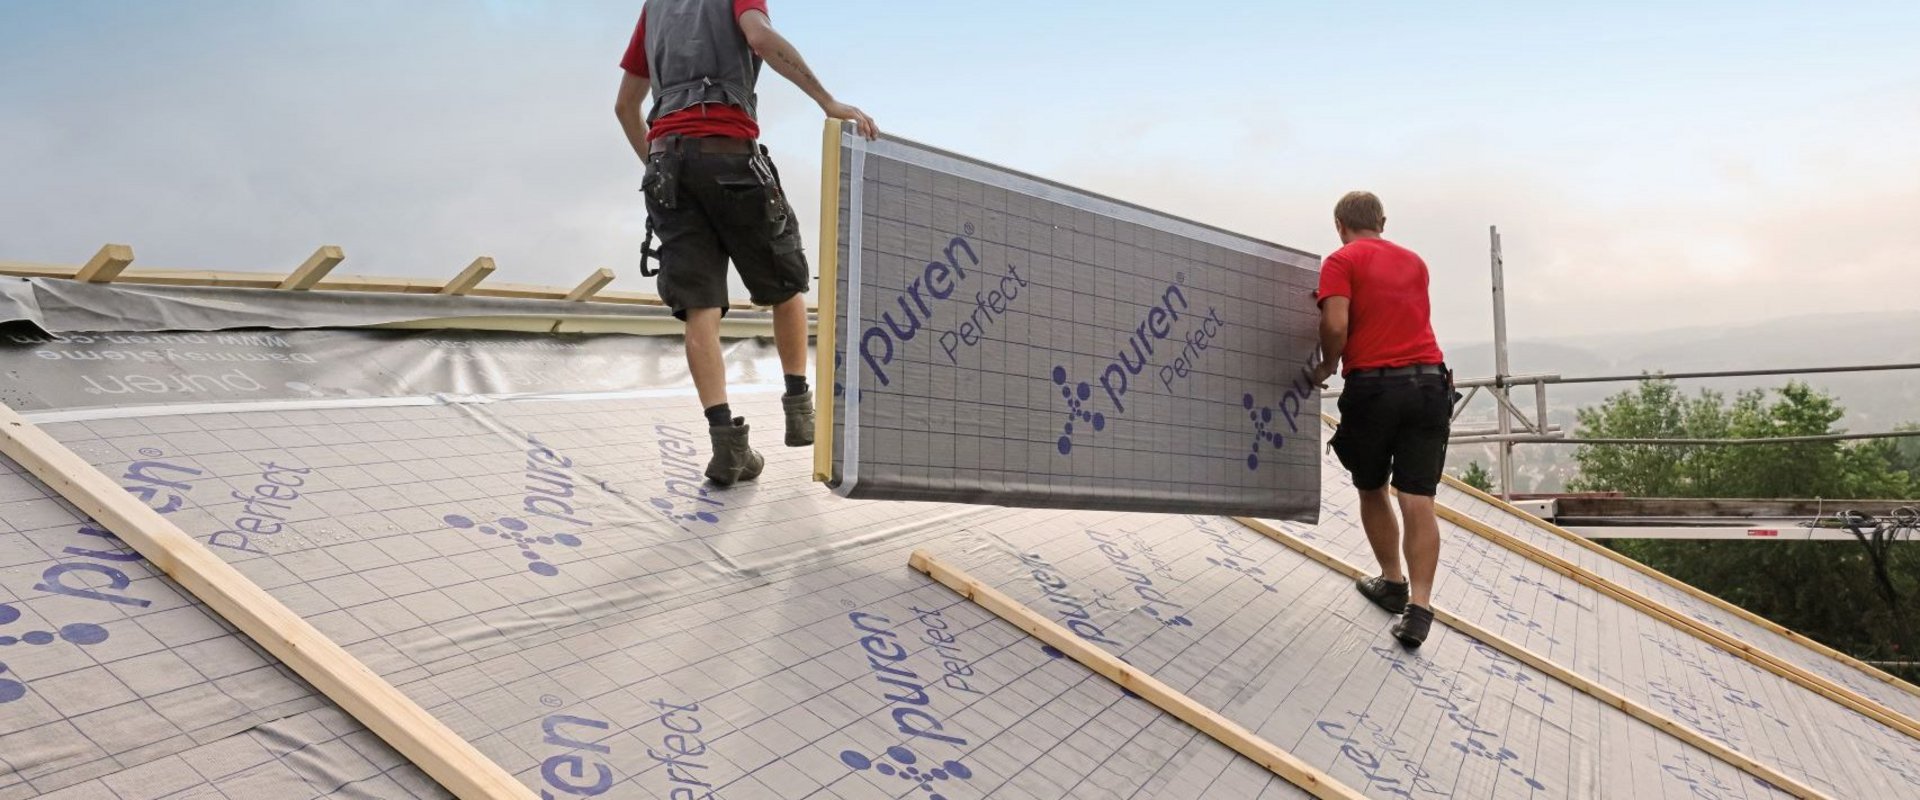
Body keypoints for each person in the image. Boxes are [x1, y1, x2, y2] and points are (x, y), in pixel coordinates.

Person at [614, 0, 878, 485]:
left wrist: (656, 167)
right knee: (785, 281)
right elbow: (759, 38)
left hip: (668, 171)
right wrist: (827, 101)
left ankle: (727, 449)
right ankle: (800, 410)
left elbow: (625, 105)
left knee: (699, 309)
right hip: (730, 156)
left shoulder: (655, 9)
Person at [1310, 191, 1452, 648]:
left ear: (1339, 224)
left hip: (1375, 387)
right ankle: (1421, 606)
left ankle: (1393, 583)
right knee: (1418, 499)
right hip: (1430, 383)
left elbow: (1336, 323)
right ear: (1383, 222)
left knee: (1372, 487)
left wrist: (1326, 365)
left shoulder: (1341, 260)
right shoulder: (1415, 262)